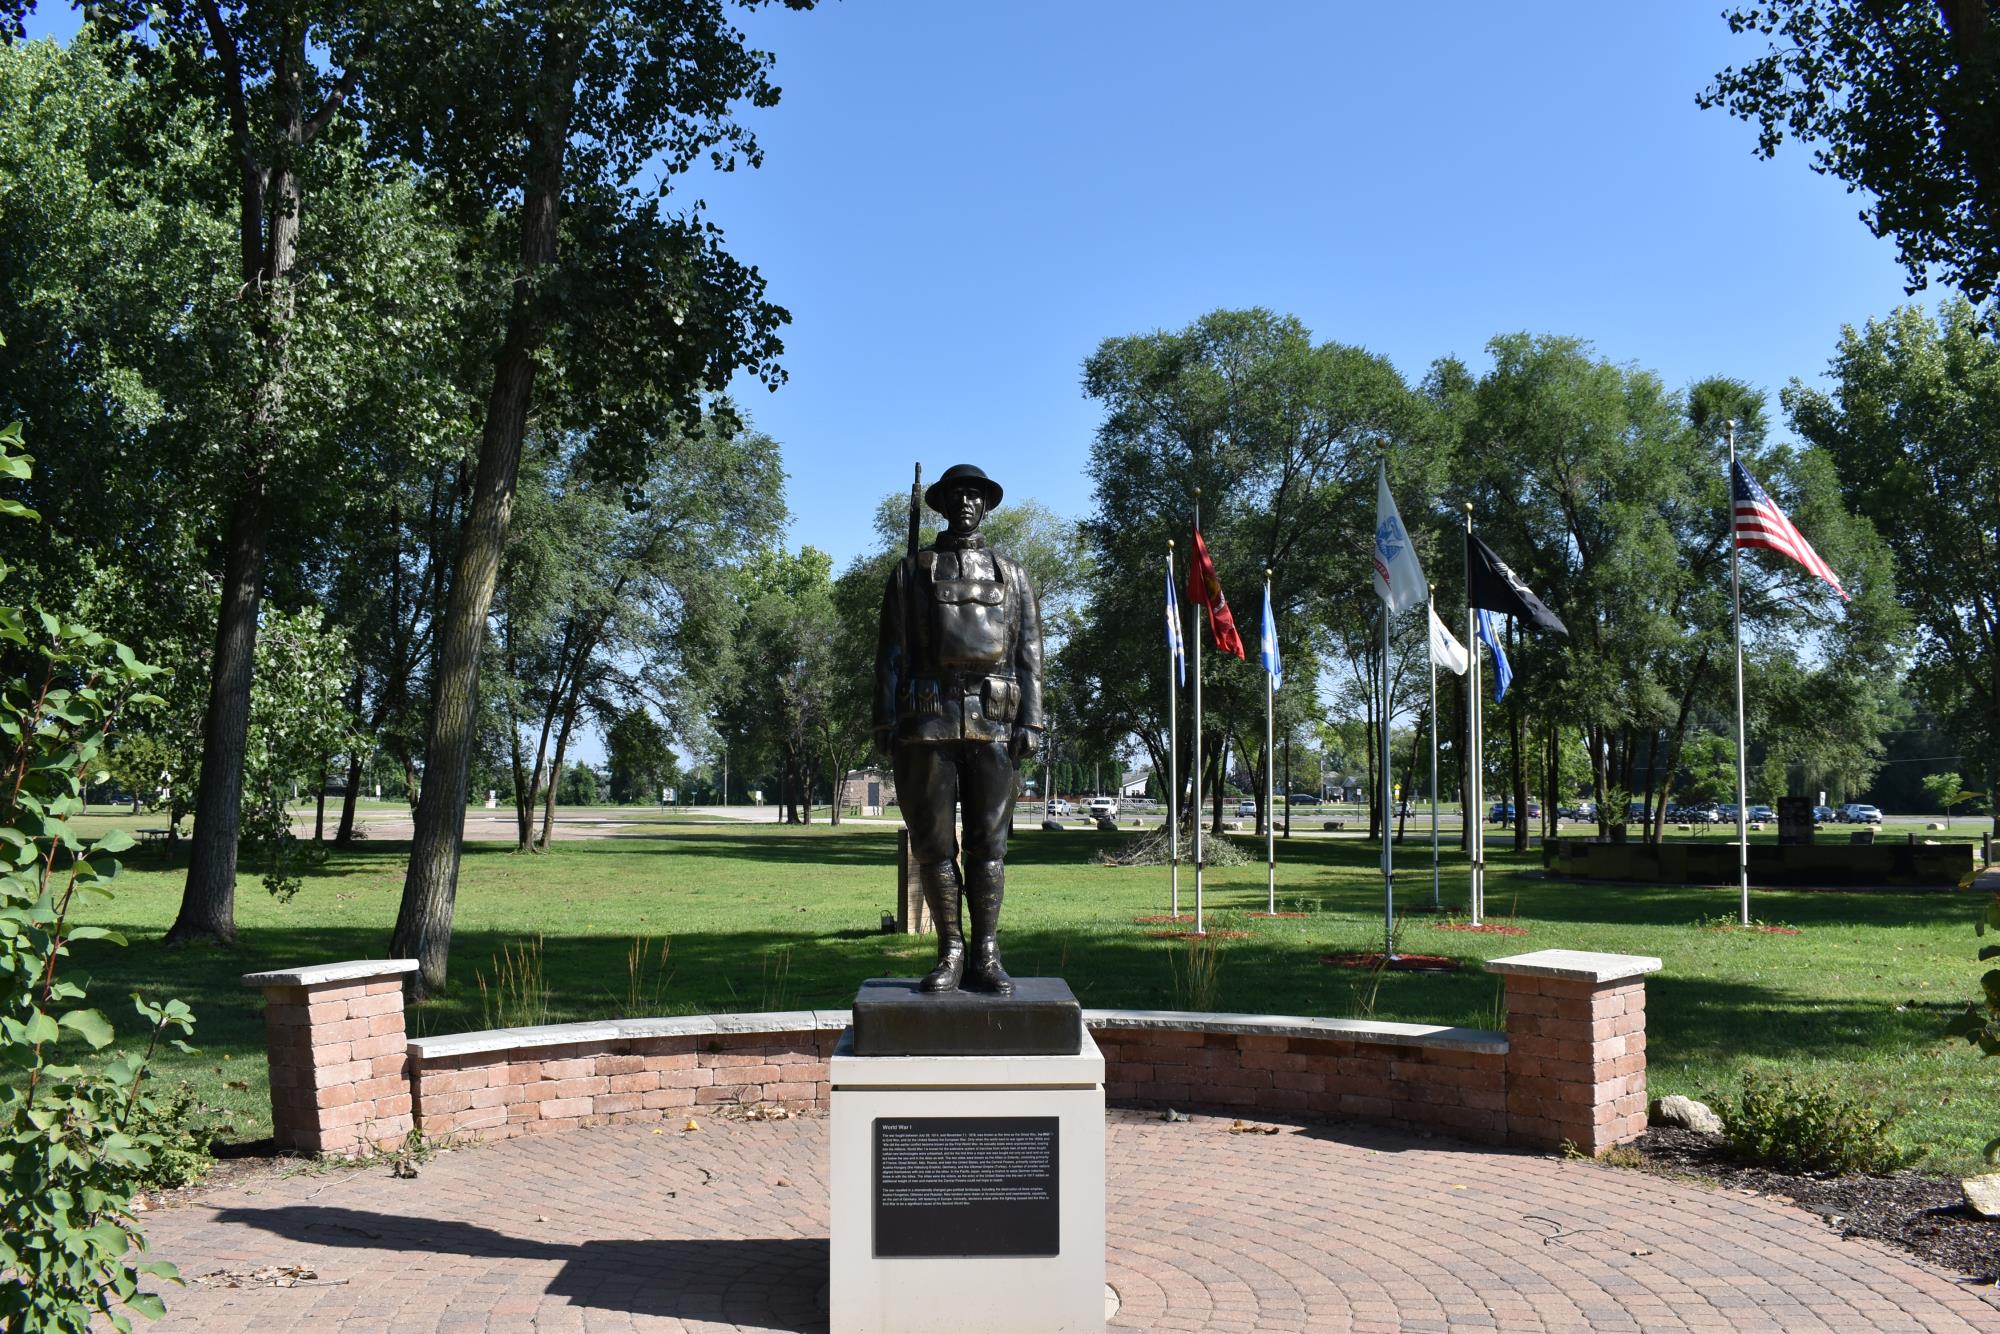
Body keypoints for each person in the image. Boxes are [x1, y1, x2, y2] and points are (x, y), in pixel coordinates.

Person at [874, 464, 1042, 995]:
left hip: (994, 720)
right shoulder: (910, 571)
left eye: (975, 495)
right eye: (956, 495)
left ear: (986, 505)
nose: (966, 503)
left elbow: (1028, 654)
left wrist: (1031, 719)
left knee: (989, 846)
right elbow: (892, 652)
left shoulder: (1011, 574)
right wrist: (884, 717)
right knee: (934, 847)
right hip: (928, 721)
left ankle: (987, 952)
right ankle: (950, 949)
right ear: (942, 505)